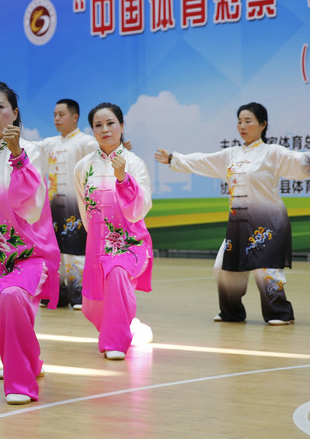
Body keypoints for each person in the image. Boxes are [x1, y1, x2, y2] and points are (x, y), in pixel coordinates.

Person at [155, 102, 310, 325]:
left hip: (268, 222)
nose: (242, 126)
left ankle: (279, 313)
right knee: (223, 268)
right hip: (238, 223)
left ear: (263, 124)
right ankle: (232, 312)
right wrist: (174, 159)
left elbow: (299, 162)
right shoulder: (231, 155)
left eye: (248, 121)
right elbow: (204, 160)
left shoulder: (272, 153)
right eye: (239, 121)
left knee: (266, 270)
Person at [0, 82, 61, 405]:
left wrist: (18, 156)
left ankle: (19, 383)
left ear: (15, 113)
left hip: (29, 254)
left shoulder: (30, 151)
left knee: (11, 299)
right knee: (0, 322)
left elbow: (31, 206)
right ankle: (26, 361)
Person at [74, 102, 153, 361]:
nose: (105, 129)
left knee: (118, 274)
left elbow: (140, 209)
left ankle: (115, 342)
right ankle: (132, 329)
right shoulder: (83, 166)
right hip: (97, 244)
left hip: (130, 244)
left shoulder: (134, 163)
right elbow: (84, 208)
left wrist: (122, 179)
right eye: (98, 125)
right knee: (92, 307)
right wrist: (95, 240)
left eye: (110, 123)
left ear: (121, 126)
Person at [35, 99, 98, 310]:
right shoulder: (49, 144)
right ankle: (56, 295)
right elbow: (27, 150)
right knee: (53, 252)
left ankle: (79, 295)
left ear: (75, 117)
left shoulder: (85, 143)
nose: (56, 119)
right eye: (54, 114)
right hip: (53, 209)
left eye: (61, 114)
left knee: (74, 252)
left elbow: (105, 151)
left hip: (75, 208)